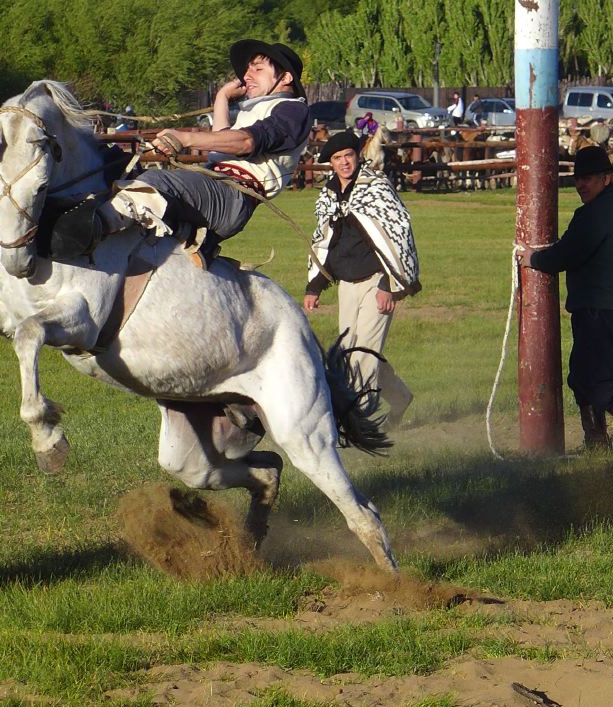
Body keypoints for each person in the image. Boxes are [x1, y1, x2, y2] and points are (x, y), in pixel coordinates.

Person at [51, 39, 309, 266]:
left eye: (258, 69)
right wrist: (221, 97)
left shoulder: (292, 110)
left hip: (233, 196)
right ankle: (188, 235)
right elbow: (222, 139)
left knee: (153, 183)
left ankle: (70, 238)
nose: (246, 75)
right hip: (215, 186)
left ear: (285, 78)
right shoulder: (260, 108)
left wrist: (184, 137)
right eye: (247, 69)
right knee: (114, 165)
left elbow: (246, 143)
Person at [524, 146, 613, 455]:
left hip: (603, 308)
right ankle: (595, 440)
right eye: (578, 179)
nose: (581, 185)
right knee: (581, 377)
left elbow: (566, 254)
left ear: (605, 179)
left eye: (588, 179)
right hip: (612, 307)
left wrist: (533, 258)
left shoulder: (597, 214)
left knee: (595, 378)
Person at [303, 130, 420, 427]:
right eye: (337, 158)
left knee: (363, 355)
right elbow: (323, 240)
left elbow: (398, 233)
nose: (344, 163)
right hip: (347, 284)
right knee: (349, 353)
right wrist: (314, 286)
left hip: (376, 280)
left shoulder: (376, 187)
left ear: (357, 156)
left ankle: (359, 422)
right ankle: (400, 397)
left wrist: (388, 286)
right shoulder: (329, 194)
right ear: (331, 162)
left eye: (348, 156)